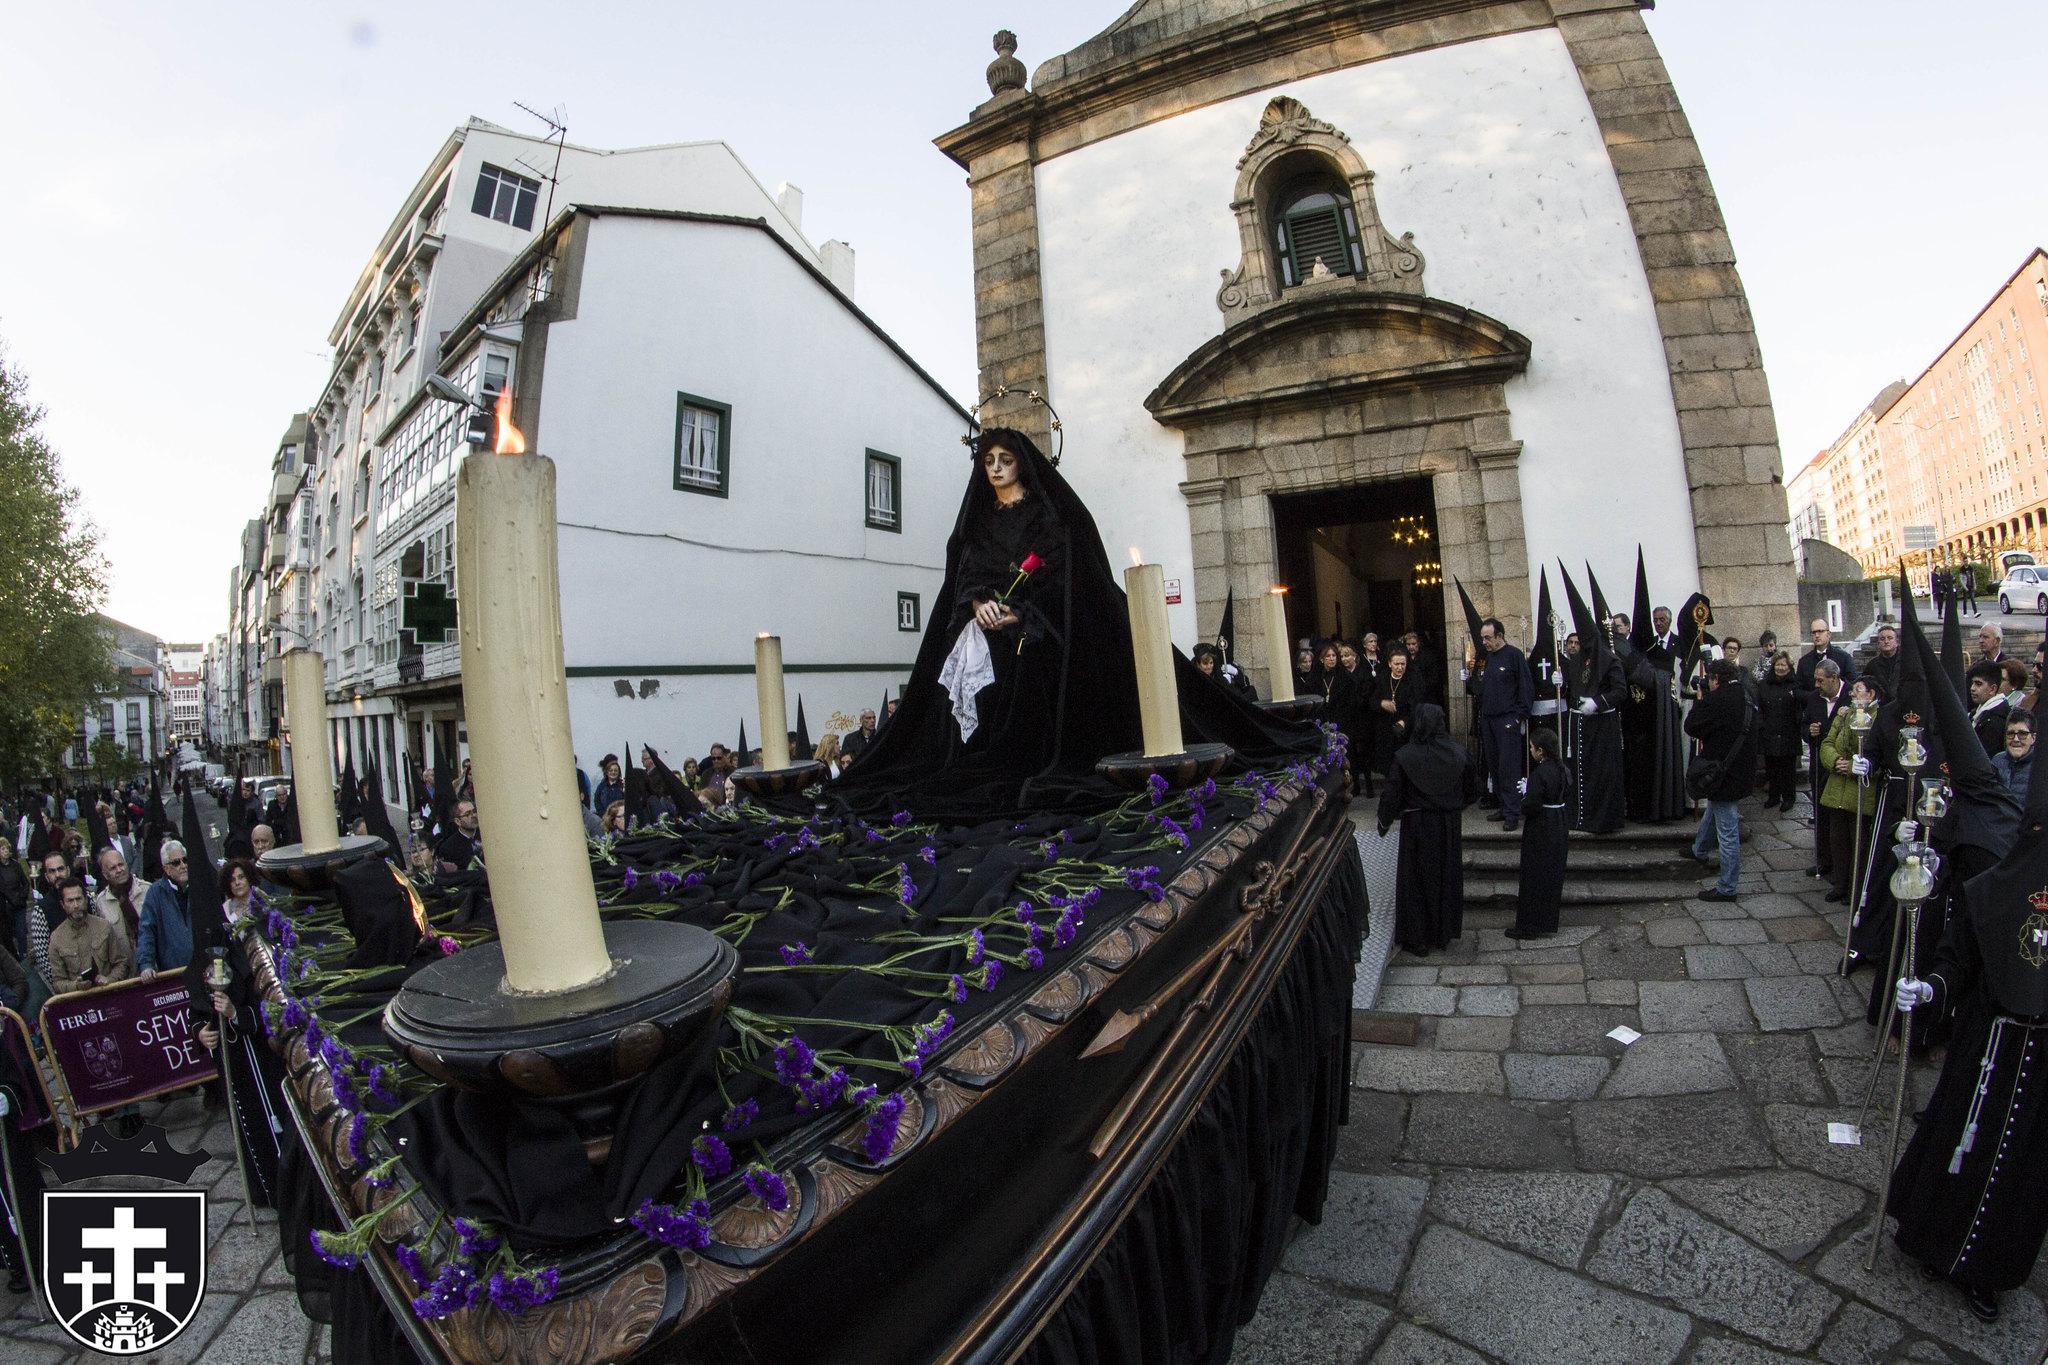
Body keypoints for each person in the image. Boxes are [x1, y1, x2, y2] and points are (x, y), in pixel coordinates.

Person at [833, 426, 1314, 820]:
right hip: (986, 638)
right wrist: (980, 603)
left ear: (1022, 462)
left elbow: (1063, 576)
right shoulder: (978, 523)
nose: (997, 468)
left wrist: (1022, 610)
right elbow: (966, 573)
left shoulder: (1047, 515)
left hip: (1038, 640)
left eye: (1005, 459)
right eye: (989, 461)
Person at [1887, 761, 2048, 1323]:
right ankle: (1934, 1242)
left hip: (2041, 1057)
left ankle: (1987, 1271)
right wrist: (1929, 988)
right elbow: (1960, 956)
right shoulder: (2001, 885)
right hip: (1986, 1043)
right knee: (1958, 1137)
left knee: (2023, 1169)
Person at [1375, 704, 1480, 956]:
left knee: (1417, 881)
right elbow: (1473, 790)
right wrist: (1453, 807)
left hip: (1417, 827)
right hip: (1447, 826)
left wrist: (1384, 821)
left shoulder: (1404, 756)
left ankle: (1418, 938)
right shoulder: (1459, 754)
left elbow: (1392, 793)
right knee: (1445, 877)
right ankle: (1442, 933)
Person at [1687, 659, 1756, 902]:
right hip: (1741, 769)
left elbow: (1691, 727)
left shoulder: (1716, 700)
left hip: (1720, 772)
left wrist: (1699, 701)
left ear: (1716, 678)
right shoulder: (1747, 695)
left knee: (1727, 832)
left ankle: (1727, 887)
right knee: (1714, 810)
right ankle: (1699, 850)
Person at [1817, 676, 1881, 903]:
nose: (1852, 694)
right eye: (1852, 690)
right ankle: (1840, 883)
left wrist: (1853, 767)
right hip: (1837, 789)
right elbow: (1827, 743)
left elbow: (1874, 753)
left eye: (1858, 690)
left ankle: (1856, 887)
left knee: (1858, 843)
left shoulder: (1877, 718)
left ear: (1871, 694)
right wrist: (1835, 762)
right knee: (1838, 840)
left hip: (1860, 791)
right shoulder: (1845, 715)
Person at [1466, 619, 1533, 832]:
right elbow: (1477, 687)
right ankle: (1503, 807)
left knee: (1508, 768)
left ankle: (1513, 812)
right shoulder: (1486, 658)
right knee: (1494, 766)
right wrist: (1469, 675)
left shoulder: (1514, 656)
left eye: (1488, 637)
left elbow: (1526, 688)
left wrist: (1518, 717)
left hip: (1507, 720)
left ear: (1500, 636)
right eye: (1482, 638)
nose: (1484, 642)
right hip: (1488, 719)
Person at [1562, 622, 1626, 834]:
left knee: (1600, 773)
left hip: (1602, 726)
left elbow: (1620, 692)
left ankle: (1600, 820)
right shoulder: (1576, 660)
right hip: (1580, 724)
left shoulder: (1610, 660)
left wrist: (1597, 702)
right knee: (1580, 771)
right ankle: (1579, 817)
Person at [1511, 727, 1570, 941]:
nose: (1531, 750)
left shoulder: (1540, 773)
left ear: (1541, 751)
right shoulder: (1562, 768)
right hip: (1558, 824)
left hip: (1541, 827)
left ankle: (1528, 927)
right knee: (1551, 875)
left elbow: (1531, 806)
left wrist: (1526, 795)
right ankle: (1546, 922)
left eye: (1532, 747)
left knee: (1533, 875)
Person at [48, 878, 131, 995]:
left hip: (108, 994)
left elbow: (122, 963)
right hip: (79, 1004)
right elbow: (58, 982)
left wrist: (109, 980)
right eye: (70, 901)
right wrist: (76, 986)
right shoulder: (56, 938)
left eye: (79, 899)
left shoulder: (104, 926)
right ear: (63, 905)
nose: (76, 905)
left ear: (86, 900)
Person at [136, 840, 195, 975]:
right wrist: (146, 964)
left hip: (203, 968)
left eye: (185, 860)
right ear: (166, 869)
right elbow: (146, 931)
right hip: (173, 973)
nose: (183, 865)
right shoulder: (155, 893)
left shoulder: (199, 886)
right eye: (176, 862)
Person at [1757, 651, 1803, 813]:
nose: (1780, 668)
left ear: (1789, 667)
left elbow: (1799, 708)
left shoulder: (1796, 685)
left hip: (1788, 732)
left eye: (1784, 665)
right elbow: (1759, 707)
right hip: (1770, 731)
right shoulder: (1764, 685)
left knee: (1788, 769)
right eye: (1778, 664)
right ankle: (1773, 796)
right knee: (1772, 767)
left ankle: (1789, 798)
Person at [93, 846, 147, 951]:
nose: (119, 870)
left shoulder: (146, 890)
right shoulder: (101, 902)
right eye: (113, 868)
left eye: (121, 864)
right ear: (105, 875)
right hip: (124, 963)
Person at [1373, 650, 1417, 776]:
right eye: (1396, 664)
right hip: (1385, 729)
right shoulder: (1382, 680)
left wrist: (1404, 721)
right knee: (1388, 767)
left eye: (1403, 664)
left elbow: (1415, 706)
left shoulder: (1412, 681)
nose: (1400, 667)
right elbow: (1372, 700)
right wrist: (1382, 703)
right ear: (1389, 664)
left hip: (1404, 731)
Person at [1797, 618, 1856, 693]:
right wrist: (1813, 698)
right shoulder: (1804, 661)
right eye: (1813, 632)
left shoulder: (1844, 658)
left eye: (1820, 631)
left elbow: (1852, 683)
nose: (1817, 635)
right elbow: (1798, 690)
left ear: (1828, 634)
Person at [1967, 661, 2010, 757]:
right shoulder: (1977, 713)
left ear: (1992, 689)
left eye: (1978, 684)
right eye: (1972, 683)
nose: (1972, 688)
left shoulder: (1997, 720)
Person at [1991, 710, 2034, 803]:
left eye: (2022, 734)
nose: (2016, 739)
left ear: (2033, 738)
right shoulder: (1997, 761)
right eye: (2010, 734)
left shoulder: (2041, 766)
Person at [436, 800, 484, 871]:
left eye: (474, 811)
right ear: (457, 821)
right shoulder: (449, 847)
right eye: (467, 814)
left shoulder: (485, 834)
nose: (473, 815)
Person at [1864, 624, 1903, 701]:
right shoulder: (1872, 665)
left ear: (1897, 642)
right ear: (1878, 643)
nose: (1886, 641)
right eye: (1882, 639)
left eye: (1890, 638)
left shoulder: (1906, 662)